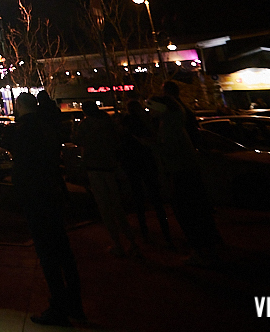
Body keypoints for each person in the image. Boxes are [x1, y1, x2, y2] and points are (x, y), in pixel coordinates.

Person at [7, 93, 83, 327]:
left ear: (19, 106)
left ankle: (58, 306)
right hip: (51, 192)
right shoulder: (45, 127)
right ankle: (75, 304)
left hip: (36, 196)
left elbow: (22, 164)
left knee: (48, 253)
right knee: (63, 251)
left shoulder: (23, 131)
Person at [147, 94, 221, 267]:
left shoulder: (168, 125)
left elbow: (169, 150)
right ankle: (208, 249)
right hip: (187, 170)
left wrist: (151, 145)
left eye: (151, 107)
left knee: (188, 213)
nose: (149, 111)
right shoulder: (174, 121)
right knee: (196, 211)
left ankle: (200, 252)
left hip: (180, 172)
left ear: (160, 108)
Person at [73, 101, 139, 257]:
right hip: (111, 167)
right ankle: (132, 242)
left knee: (105, 208)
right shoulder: (107, 123)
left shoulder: (86, 125)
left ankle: (117, 243)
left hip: (95, 169)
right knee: (117, 206)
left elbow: (76, 139)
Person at [121, 100, 173, 247]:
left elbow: (123, 145)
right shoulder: (148, 122)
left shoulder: (127, 124)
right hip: (147, 163)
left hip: (133, 165)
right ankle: (165, 231)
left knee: (139, 199)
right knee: (155, 198)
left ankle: (144, 232)